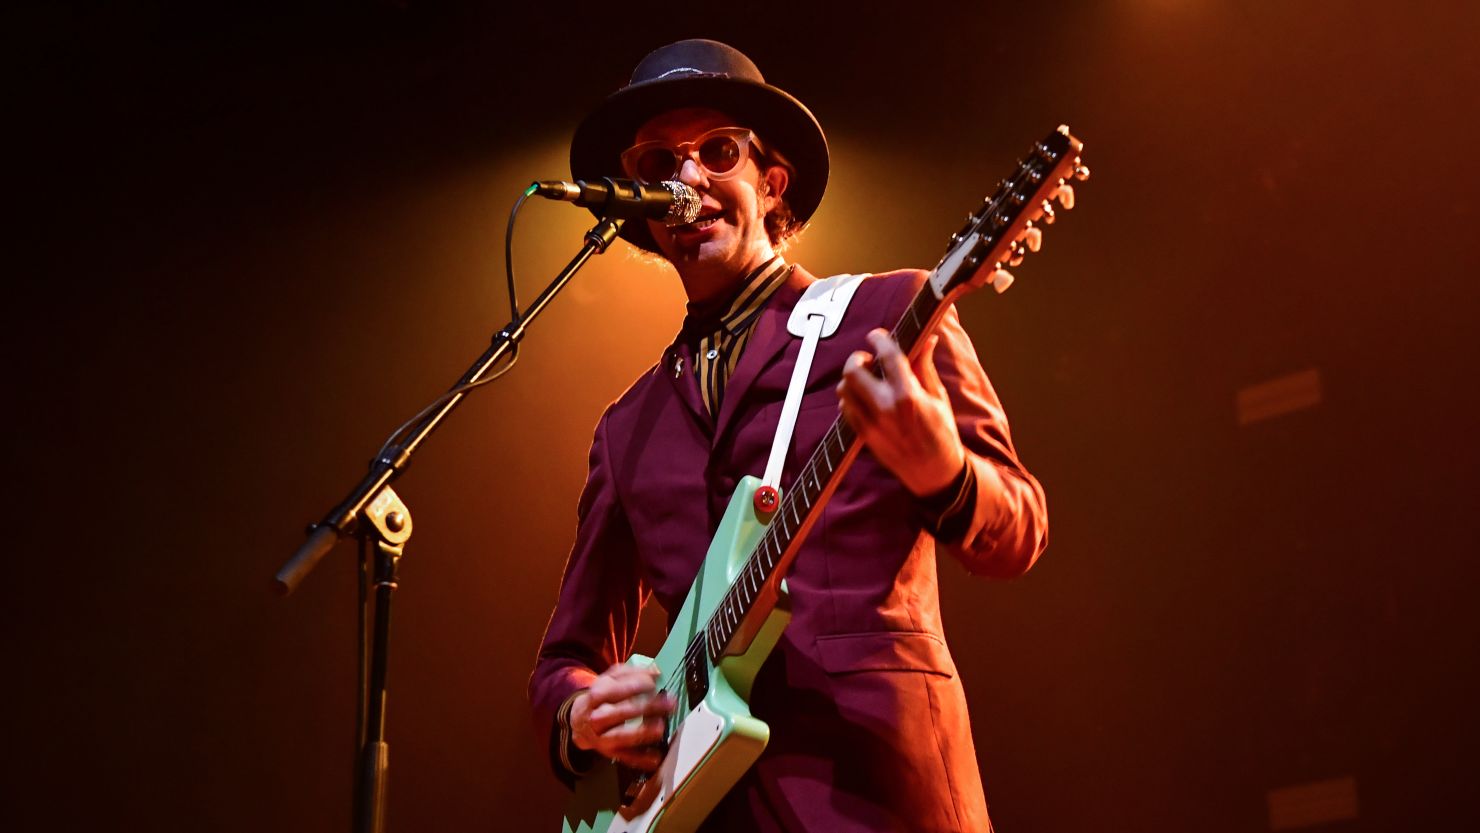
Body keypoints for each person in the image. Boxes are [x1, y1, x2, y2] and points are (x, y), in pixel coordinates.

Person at [529, 39, 1048, 832]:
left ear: (772, 185)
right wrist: (582, 713)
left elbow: (1020, 528)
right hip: (701, 811)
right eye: (657, 162)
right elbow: (566, 658)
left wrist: (943, 468)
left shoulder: (887, 314)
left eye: (718, 152)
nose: (686, 178)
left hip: (881, 796)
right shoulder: (627, 426)